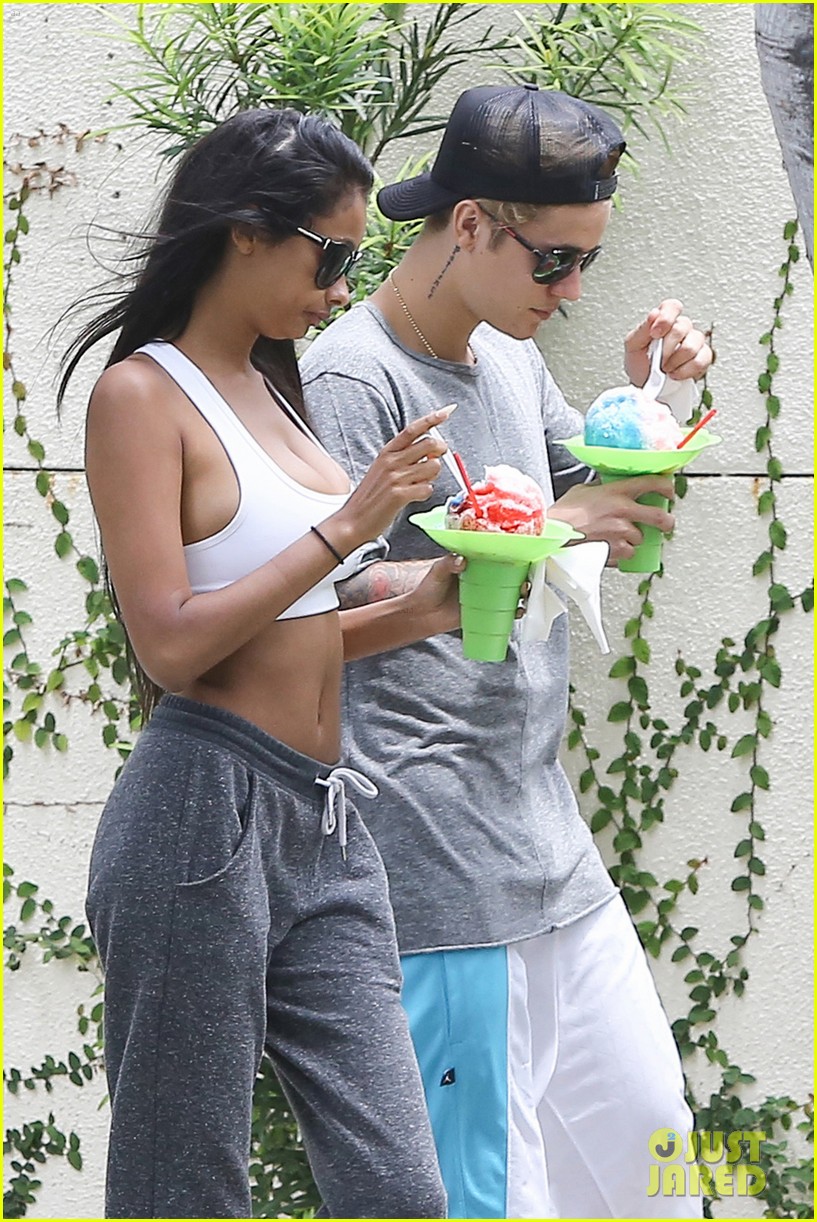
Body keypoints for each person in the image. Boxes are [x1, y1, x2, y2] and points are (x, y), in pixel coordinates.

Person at [301, 85, 713, 1220]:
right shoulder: (352, 379)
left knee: (662, 1171)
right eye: (553, 262)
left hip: (551, 857)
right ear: (471, 223)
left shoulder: (504, 357)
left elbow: (607, 515)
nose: (571, 290)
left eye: (586, 262)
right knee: (490, 1201)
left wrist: (657, 395)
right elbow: (307, 617)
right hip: (434, 883)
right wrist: (547, 531)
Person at [58, 108, 457, 1220]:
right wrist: (351, 524)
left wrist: (424, 607)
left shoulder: (277, 388)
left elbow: (298, 626)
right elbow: (172, 643)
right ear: (245, 231)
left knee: (399, 1191)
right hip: (201, 811)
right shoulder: (141, 396)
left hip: (322, 818)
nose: (340, 289)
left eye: (353, 263)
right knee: (184, 1192)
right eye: (329, 257)